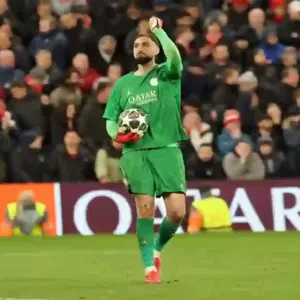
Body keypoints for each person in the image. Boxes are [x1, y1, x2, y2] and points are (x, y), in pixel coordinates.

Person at [103, 17, 188, 284]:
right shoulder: (122, 85)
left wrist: (159, 31)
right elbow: (111, 118)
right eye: (137, 45)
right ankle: (149, 267)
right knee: (146, 209)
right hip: (135, 152)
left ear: (155, 50)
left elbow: (174, 55)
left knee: (177, 212)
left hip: (167, 148)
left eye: (146, 44)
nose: (140, 48)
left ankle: (157, 248)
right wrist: (117, 134)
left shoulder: (167, 74)